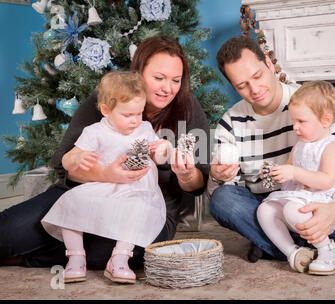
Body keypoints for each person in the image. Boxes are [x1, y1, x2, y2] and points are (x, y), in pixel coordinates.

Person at [0, 36, 210, 270]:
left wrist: (186, 174)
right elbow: (63, 163)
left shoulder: (188, 110)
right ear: (138, 73)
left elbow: (199, 183)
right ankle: (54, 242)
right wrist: (107, 174)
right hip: (86, 191)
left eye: (176, 80)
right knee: (9, 231)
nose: (167, 88)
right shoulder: (110, 98)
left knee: (132, 249)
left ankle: (29, 258)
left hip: (146, 206)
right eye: (159, 78)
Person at [208, 35, 335, 265]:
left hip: (321, 200)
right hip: (273, 205)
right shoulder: (231, 122)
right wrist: (219, 177)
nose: (255, 89)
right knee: (222, 200)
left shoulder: (312, 103)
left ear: (269, 63)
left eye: (257, 76)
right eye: (242, 85)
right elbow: (229, 191)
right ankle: (328, 245)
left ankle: (277, 245)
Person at [41, 71, 169, 284]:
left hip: (137, 187)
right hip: (104, 184)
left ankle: (119, 258)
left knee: (137, 210)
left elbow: (159, 157)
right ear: (106, 110)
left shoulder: (144, 129)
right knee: (71, 201)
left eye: (139, 113)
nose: (135, 121)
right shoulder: (94, 132)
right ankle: (75, 257)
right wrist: (77, 157)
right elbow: (69, 160)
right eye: (127, 115)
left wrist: (163, 148)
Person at [257, 80, 335, 275]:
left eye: (301, 121)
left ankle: (328, 250)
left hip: (319, 206)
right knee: (264, 210)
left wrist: (294, 172)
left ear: (325, 120)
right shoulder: (300, 144)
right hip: (296, 198)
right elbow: (289, 170)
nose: (295, 127)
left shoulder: (332, 146)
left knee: (291, 209)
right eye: (293, 121)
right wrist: (276, 173)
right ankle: (294, 252)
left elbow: (327, 180)